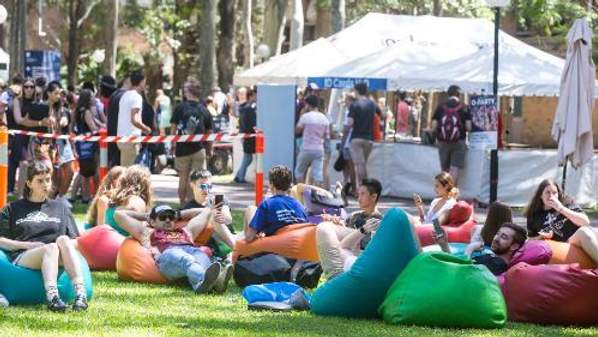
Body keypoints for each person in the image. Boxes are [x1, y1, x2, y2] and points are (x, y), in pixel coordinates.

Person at [0, 162, 87, 311]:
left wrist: (62, 246)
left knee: (63, 240)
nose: (45, 184)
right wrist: (26, 245)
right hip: (26, 255)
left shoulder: (61, 207)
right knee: (50, 248)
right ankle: (53, 297)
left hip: (57, 255)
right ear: (29, 183)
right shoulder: (12, 208)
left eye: (48, 179)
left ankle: (80, 294)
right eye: (40, 181)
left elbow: (75, 242)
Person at [114, 204, 231, 294]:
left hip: (190, 251)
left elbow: (206, 211)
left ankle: (207, 284)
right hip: (167, 256)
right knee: (184, 258)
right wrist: (148, 216)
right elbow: (119, 214)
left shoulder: (187, 232)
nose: (168, 220)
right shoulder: (147, 233)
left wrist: (179, 213)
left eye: (171, 217)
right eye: (163, 217)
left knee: (201, 255)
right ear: (153, 221)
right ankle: (207, 281)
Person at [524, 179, 596, 263]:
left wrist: (561, 209)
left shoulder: (566, 203)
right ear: (540, 195)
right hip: (562, 248)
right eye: (547, 192)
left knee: (591, 231)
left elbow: (585, 222)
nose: (551, 195)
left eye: (554, 192)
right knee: (584, 233)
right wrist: (542, 237)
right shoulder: (534, 214)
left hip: (577, 239)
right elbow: (530, 240)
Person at [171, 79, 213, 205]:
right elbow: (209, 132)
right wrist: (210, 148)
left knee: (183, 178)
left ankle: (182, 204)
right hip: (199, 149)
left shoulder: (179, 108)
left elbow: (173, 128)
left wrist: (173, 144)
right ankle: (195, 204)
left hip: (182, 149)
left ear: (187, 92)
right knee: (198, 179)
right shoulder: (204, 109)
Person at [243, 165, 308, 243]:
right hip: (297, 245)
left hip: (275, 248)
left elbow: (250, 237)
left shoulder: (267, 204)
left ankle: (242, 250)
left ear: (272, 185)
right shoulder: (300, 206)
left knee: (251, 209)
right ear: (290, 185)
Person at [436, 222, 527, 276]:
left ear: (514, 246)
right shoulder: (491, 256)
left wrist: (470, 248)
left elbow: (463, 274)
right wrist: (444, 244)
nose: (496, 238)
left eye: (504, 237)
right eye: (497, 234)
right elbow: (455, 265)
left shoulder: (499, 264)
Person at [180, 169, 236, 252]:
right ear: (192, 185)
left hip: (227, 239)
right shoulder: (188, 208)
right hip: (208, 244)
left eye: (209, 186)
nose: (206, 190)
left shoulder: (218, 200)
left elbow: (228, 219)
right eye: (202, 186)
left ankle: (236, 250)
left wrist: (221, 217)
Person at [431, 85, 472, 185]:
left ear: (448, 94)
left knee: (444, 168)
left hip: (442, 141)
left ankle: (443, 192)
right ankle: (451, 194)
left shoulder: (441, 106)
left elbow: (434, 125)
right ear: (459, 94)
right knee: (455, 168)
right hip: (459, 141)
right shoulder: (464, 107)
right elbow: (468, 127)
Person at [46, 81, 76, 199]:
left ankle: (60, 198)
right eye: (56, 93)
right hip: (47, 144)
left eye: (60, 93)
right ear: (48, 93)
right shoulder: (43, 106)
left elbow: (65, 120)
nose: (59, 96)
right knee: (53, 175)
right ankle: (50, 199)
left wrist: (64, 120)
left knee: (70, 171)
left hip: (62, 142)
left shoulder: (63, 109)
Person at [345, 82, 376, 191]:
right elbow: (382, 115)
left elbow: (349, 122)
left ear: (356, 91)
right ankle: (365, 187)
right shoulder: (372, 104)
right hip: (369, 138)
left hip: (356, 137)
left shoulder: (355, 105)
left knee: (359, 164)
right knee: (363, 163)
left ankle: (363, 188)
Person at [117, 70, 152, 166]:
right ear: (141, 82)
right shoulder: (137, 97)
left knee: (125, 169)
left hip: (122, 138)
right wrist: (146, 129)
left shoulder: (125, 96)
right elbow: (134, 119)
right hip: (130, 139)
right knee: (129, 173)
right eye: (144, 81)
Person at [107, 165, 154, 236]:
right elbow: (133, 208)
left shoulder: (114, 199)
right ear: (145, 183)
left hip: (107, 242)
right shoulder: (137, 200)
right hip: (123, 244)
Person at [294, 95, 330, 187]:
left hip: (306, 148)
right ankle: (317, 193)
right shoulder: (324, 118)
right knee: (317, 174)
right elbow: (327, 136)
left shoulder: (305, 117)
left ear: (308, 105)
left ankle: (301, 192)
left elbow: (297, 130)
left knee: (299, 171)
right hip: (319, 149)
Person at [73, 89, 101, 203]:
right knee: (92, 171)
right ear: (88, 99)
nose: (94, 99)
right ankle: (90, 197)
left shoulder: (77, 111)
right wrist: (101, 130)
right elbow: (93, 128)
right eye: (93, 97)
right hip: (89, 145)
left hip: (81, 144)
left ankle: (85, 197)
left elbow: (73, 127)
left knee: (84, 172)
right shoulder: (87, 112)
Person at [233, 87, 256, 184]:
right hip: (249, 135)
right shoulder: (248, 109)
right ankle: (240, 177)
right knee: (248, 157)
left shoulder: (242, 108)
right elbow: (253, 122)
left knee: (248, 157)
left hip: (245, 134)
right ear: (250, 96)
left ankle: (239, 176)